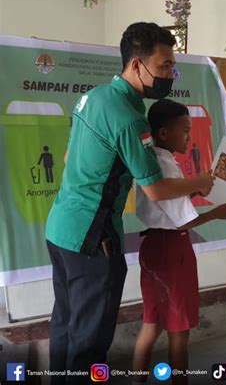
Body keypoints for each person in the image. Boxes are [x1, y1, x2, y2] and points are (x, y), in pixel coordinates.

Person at [45, 23, 215, 383]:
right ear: (137, 65)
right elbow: (154, 189)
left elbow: (65, 158)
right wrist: (199, 182)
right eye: (165, 66)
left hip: (60, 227)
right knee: (90, 341)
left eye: (173, 67)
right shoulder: (129, 116)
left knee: (65, 323)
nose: (170, 74)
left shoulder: (91, 97)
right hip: (92, 238)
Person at [132, 99, 226, 385]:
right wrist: (216, 213)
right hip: (172, 249)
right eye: (185, 130)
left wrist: (196, 194)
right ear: (165, 133)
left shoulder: (149, 158)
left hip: (152, 246)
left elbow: (170, 204)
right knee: (179, 332)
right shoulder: (167, 164)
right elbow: (184, 222)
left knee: (151, 324)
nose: (189, 137)